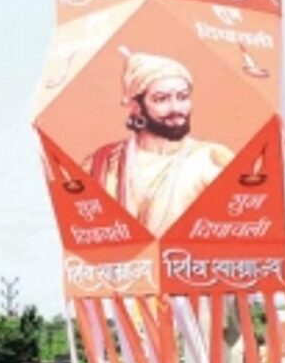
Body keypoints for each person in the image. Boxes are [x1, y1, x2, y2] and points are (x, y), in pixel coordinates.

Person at [83, 48, 234, 235]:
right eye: (161, 99)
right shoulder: (102, 162)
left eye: (183, 97)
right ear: (137, 107)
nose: (176, 108)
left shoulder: (212, 160)